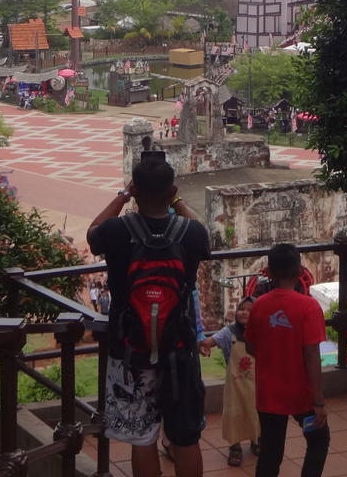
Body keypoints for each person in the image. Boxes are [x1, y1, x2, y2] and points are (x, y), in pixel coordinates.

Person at [88, 155, 211, 477]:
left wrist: (122, 196)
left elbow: (93, 231)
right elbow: (204, 233)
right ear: (171, 191)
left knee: (141, 438)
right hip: (179, 348)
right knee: (186, 438)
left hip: (130, 352)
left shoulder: (116, 231)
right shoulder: (190, 234)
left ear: (136, 191)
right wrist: (178, 200)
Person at [245, 244, 329, 477]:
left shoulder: (259, 305)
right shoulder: (308, 306)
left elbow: (251, 346)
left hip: (269, 392)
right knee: (319, 441)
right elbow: (312, 354)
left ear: (269, 272)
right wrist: (318, 399)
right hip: (301, 393)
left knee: (270, 453)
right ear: (299, 271)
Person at [201, 298, 259, 466]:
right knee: (233, 415)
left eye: (249, 310)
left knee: (256, 414)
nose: (244, 312)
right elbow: (211, 341)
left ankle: (257, 441)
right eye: (242, 309)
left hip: (256, 385)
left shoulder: (260, 332)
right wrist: (203, 345)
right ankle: (235, 447)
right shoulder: (229, 332)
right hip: (235, 386)